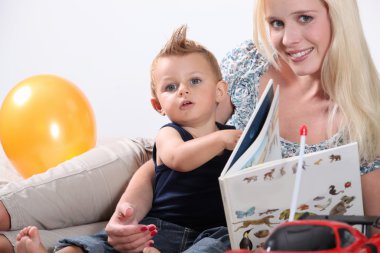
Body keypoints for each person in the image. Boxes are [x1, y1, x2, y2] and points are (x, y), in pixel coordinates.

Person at [1, 0, 380, 252]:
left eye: (305, 18)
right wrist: (127, 211)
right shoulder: (250, 61)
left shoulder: (365, 119)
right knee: (49, 208)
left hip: (217, 219)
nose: (288, 39)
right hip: (160, 164)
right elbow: (167, 153)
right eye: (276, 23)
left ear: (338, 16)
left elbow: (368, 228)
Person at [14, 25, 242, 253]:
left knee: (221, 243)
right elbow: (178, 158)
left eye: (194, 81)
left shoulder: (231, 138)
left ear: (220, 91)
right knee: (97, 244)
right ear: (158, 105)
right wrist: (221, 140)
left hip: (210, 233)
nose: (183, 91)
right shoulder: (170, 135)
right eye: (171, 87)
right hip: (160, 228)